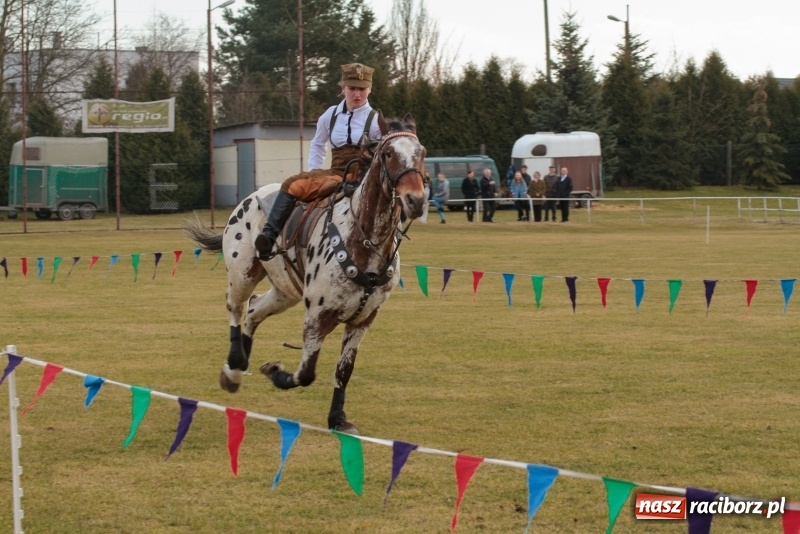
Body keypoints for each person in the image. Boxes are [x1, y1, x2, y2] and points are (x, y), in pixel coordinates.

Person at [255, 62, 381, 260]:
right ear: (343, 89)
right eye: (352, 88)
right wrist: (314, 170)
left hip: (363, 178)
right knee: (292, 185)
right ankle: (269, 236)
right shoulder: (329, 116)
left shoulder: (375, 120)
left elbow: (381, 156)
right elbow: (317, 144)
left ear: (370, 90)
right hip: (336, 175)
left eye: (362, 89)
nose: (357, 94)